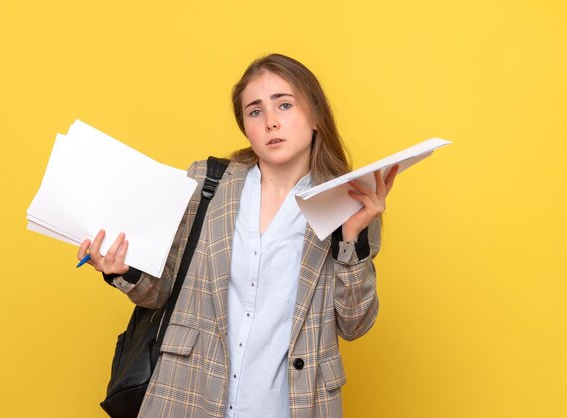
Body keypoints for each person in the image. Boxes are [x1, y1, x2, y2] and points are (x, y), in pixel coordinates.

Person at [78, 53, 398, 418]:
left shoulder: (348, 201)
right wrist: (122, 270)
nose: (272, 122)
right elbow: (162, 290)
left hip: (290, 405)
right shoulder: (206, 183)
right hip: (189, 394)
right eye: (256, 111)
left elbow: (355, 324)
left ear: (316, 117)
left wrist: (352, 240)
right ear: (245, 126)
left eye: (285, 105)